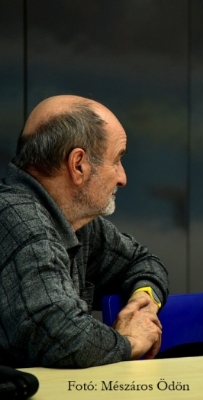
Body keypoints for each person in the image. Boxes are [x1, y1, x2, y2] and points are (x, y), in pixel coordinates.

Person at [0, 95, 169, 368]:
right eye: (117, 160)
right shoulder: (15, 219)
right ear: (78, 164)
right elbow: (63, 338)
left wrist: (143, 302)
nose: (123, 178)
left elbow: (142, 262)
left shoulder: (75, 222)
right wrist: (131, 341)